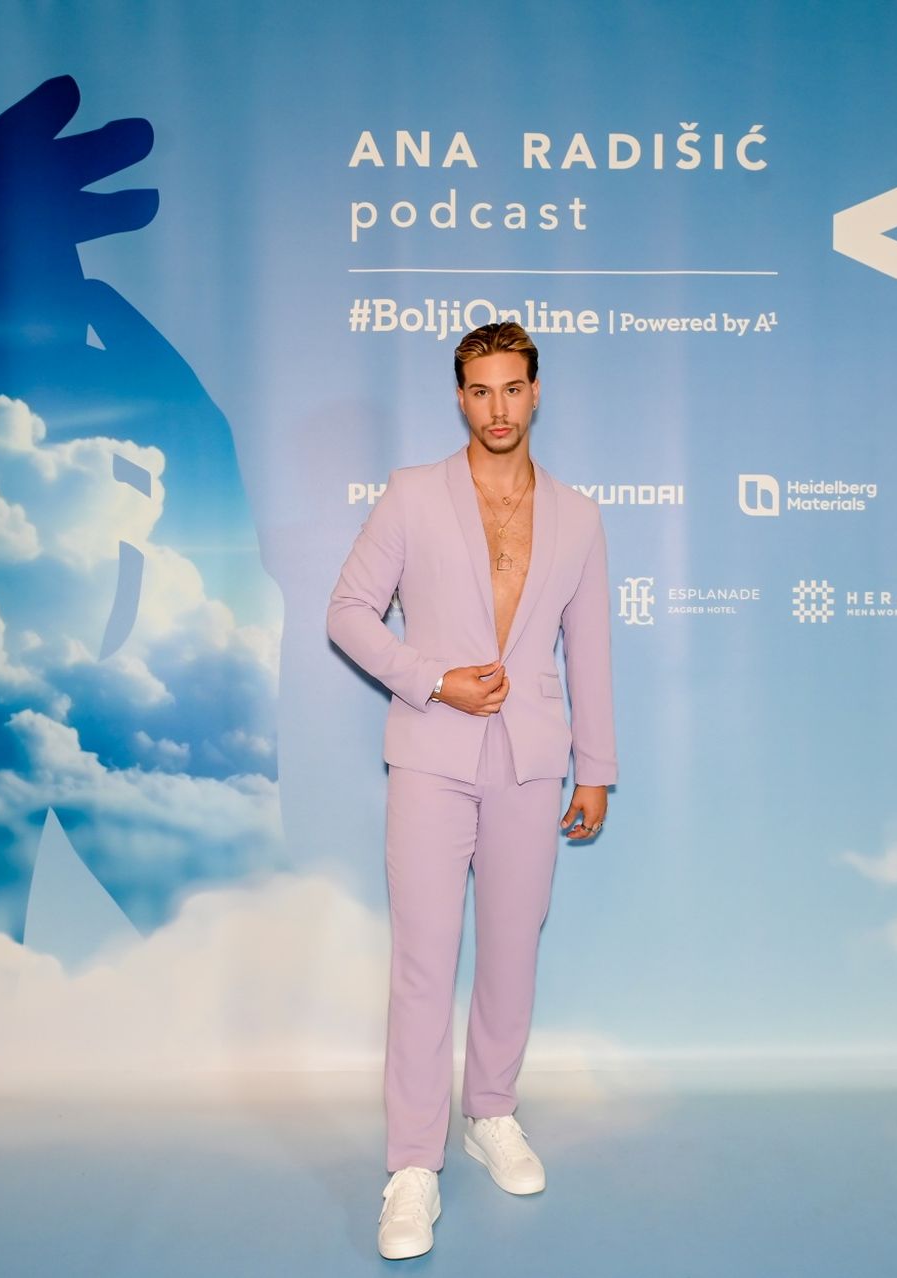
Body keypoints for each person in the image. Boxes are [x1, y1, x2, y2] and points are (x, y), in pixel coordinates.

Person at [327, 321, 617, 1260]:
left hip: (532, 759)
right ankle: (413, 1165)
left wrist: (596, 767)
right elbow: (347, 612)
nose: (498, 408)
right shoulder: (413, 494)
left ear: (537, 392)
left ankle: (491, 1111)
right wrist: (432, 679)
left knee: (511, 950)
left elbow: (590, 651)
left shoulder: (578, 516)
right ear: (460, 398)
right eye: (481, 391)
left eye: (512, 389)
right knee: (423, 958)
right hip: (430, 754)